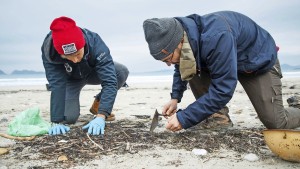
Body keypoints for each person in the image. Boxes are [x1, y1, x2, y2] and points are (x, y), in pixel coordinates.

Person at [142, 11, 300, 132]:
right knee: (188, 64)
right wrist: (175, 97)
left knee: (277, 123)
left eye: (168, 58)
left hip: (256, 62)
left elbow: (223, 89)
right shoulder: (183, 39)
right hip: (223, 60)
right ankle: (218, 119)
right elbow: (182, 65)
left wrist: (185, 117)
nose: (169, 64)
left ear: (179, 42)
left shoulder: (216, 36)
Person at [42, 16, 129, 135]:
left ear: (83, 44)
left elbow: (109, 80)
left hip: (93, 72)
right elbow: (57, 85)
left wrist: (102, 115)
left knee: (121, 71)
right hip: (70, 80)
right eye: (68, 57)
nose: (75, 60)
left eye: (78, 54)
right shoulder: (50, 52)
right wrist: (56, 120)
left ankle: (98, 104)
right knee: (69, 118)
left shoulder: (95, 42)